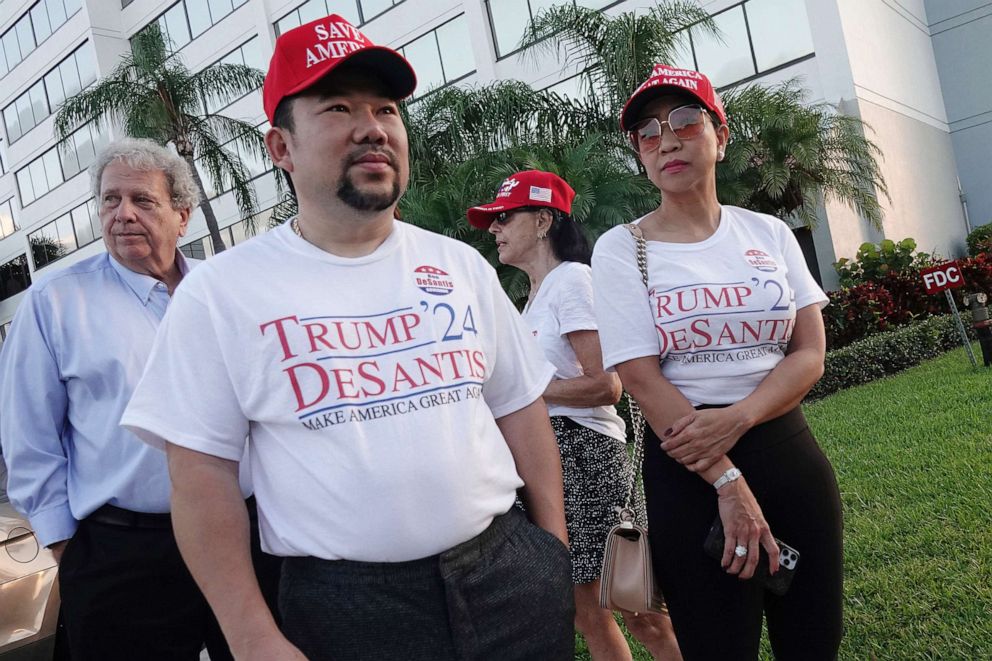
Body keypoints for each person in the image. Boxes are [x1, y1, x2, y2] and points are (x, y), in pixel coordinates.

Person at [121, 14, 574, 661]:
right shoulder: (222, 293)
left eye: (385, 108)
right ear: (281, 147)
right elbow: (199, 476)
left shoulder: (461, 267)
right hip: (347, 608)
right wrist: (251, 635)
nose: (372, 126)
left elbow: (519, 407)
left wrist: (551, 551)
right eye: (337, 106)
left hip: (507, 575)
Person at [591, 65, 843, 660]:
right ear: (640, 156)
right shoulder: (622, 247)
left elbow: (809, 352)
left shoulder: (769, 233)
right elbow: (640, 379)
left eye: (685, 121)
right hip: (688, 469)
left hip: (787, 454)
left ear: (720, 137)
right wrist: (727, 480)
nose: (668, 140)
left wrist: (740, 416)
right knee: (718, 647)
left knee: (812, 641)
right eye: (648, 134)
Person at [0, 138, 278, 660]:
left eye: (142, 200)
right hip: (123, 555)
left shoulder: (227, 292)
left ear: (183, 215)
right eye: (110, 199)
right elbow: (29, 443)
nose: (123, 213)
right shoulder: (54, 303)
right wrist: (71, 553)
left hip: (245, 536)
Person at [468, 170, 682, 660]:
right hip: (549, 461)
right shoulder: (533, 298)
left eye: (505, 218)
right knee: (586, 614)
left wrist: (526, 393)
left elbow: (607, 385)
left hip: (588, 458)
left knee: (639, 609)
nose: (495, 229)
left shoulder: (573, 282)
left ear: (543, 220)